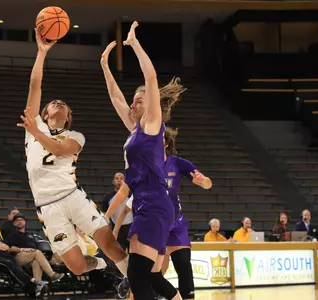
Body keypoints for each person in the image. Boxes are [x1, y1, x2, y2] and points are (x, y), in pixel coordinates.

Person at [16, 28, 129, 281]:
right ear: (44, 114)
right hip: (47, 206)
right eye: (52, 103)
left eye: (63, 105)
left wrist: (35, 131)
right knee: (77, 267)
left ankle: (140, 285)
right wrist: (41, 52)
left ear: (68, 118)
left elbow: (57, 149)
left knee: (110, 244)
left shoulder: (75, 136)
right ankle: (101, 264)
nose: (58, 103)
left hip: (73, 196)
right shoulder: (36, 126)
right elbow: (35, 85)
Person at [100, 21, 183, 300]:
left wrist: (134, 44)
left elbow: (151, 77)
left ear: (151, 104)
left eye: (138, 100)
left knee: (137, 275)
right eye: (133, 101)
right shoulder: (136, 130)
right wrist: (105, 67)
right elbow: (115, 99)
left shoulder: (152, 124)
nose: (133, 104)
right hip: (148, 202)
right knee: (148, 276)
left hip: (155, 201)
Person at [111, 128, 211, 300]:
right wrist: (108, 219)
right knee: (152, 275)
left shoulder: (177, 163)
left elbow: (208, 183)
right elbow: (123, 194)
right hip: (154, 222)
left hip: (175, 223)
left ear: (165, 143)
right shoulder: (143, 164)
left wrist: (203, 182)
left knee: (183, 266)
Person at [0, 212, 48, 297]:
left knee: (15, 267)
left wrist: (5, 247)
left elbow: (5, 246)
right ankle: (35, 282)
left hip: (5, 255)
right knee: (10, 265)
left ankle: (33, 290)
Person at [4, 214, 64, 282]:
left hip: (34, 256)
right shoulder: (13, 234)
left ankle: (38, 285)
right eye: (17, 220)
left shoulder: (30, 234)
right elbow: (9, 248)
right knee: (37, 253)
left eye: (21, 220)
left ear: (25, 222)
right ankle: (52, 275)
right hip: (19, 256)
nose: (19, 221)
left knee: (38, 261)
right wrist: (23, 249)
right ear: (14, 223)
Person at [102, 172, 133, 251]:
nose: (119, 180)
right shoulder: (108, 197)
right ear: (113, 182)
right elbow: (105, 215)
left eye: (121, 178)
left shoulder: (131, 196)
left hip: (131, 229)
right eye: (117, 178)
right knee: (119, 256)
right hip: (117, 230)